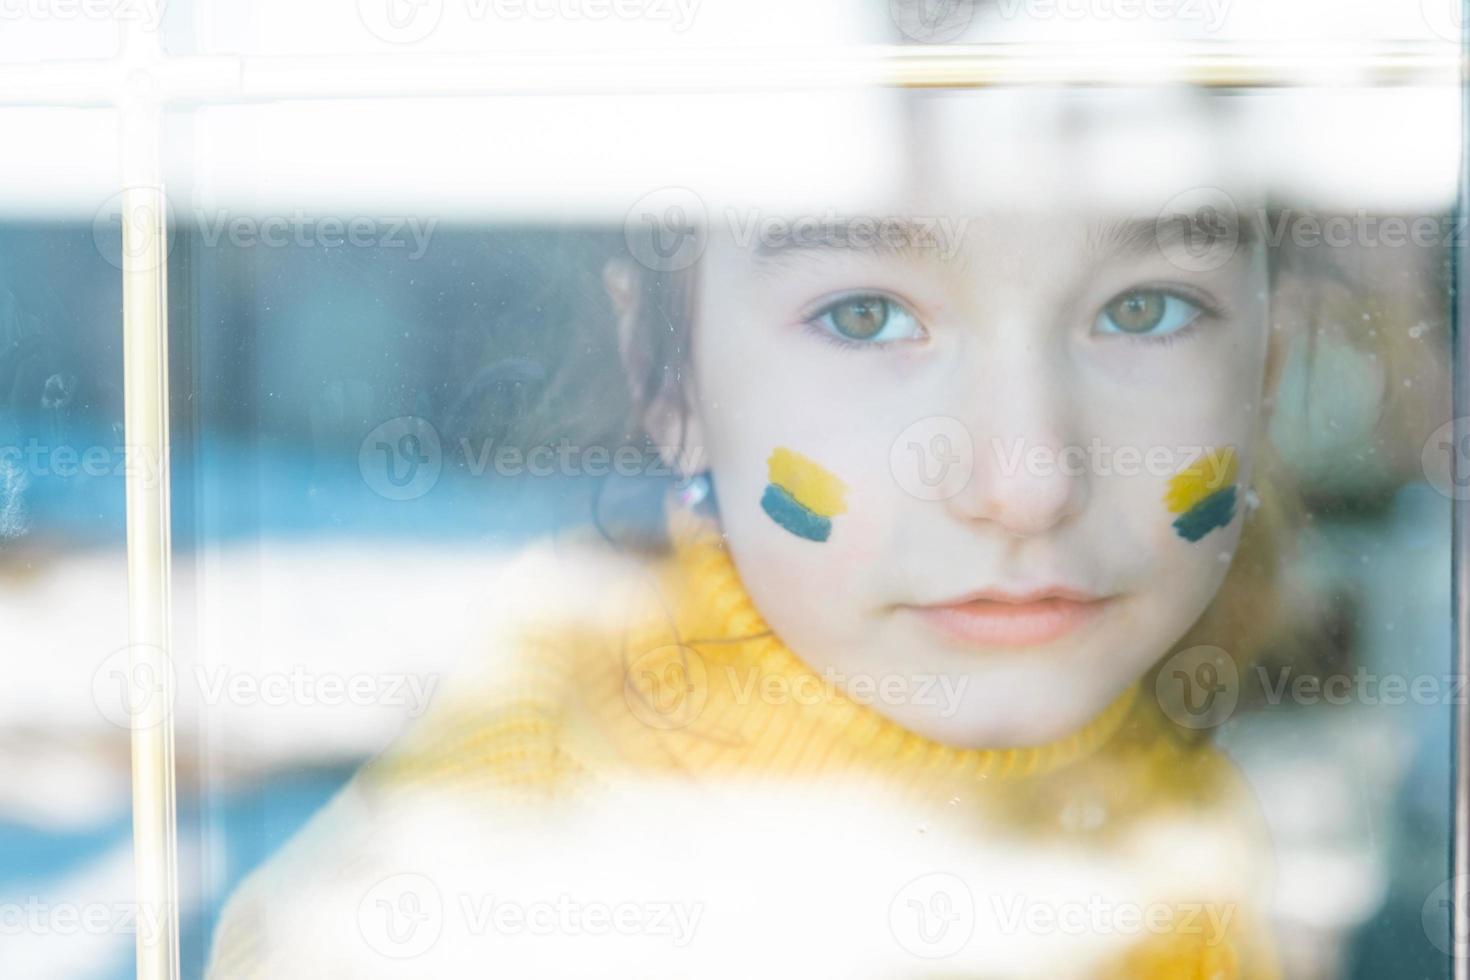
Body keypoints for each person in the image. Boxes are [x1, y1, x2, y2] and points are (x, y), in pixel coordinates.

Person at [207, 189, 1299, 978]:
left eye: (1146, 306)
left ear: (1269, 368)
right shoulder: (499, 856)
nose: (1026, 482)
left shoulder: (1201, 813)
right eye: (864, 313)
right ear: (660, 376)